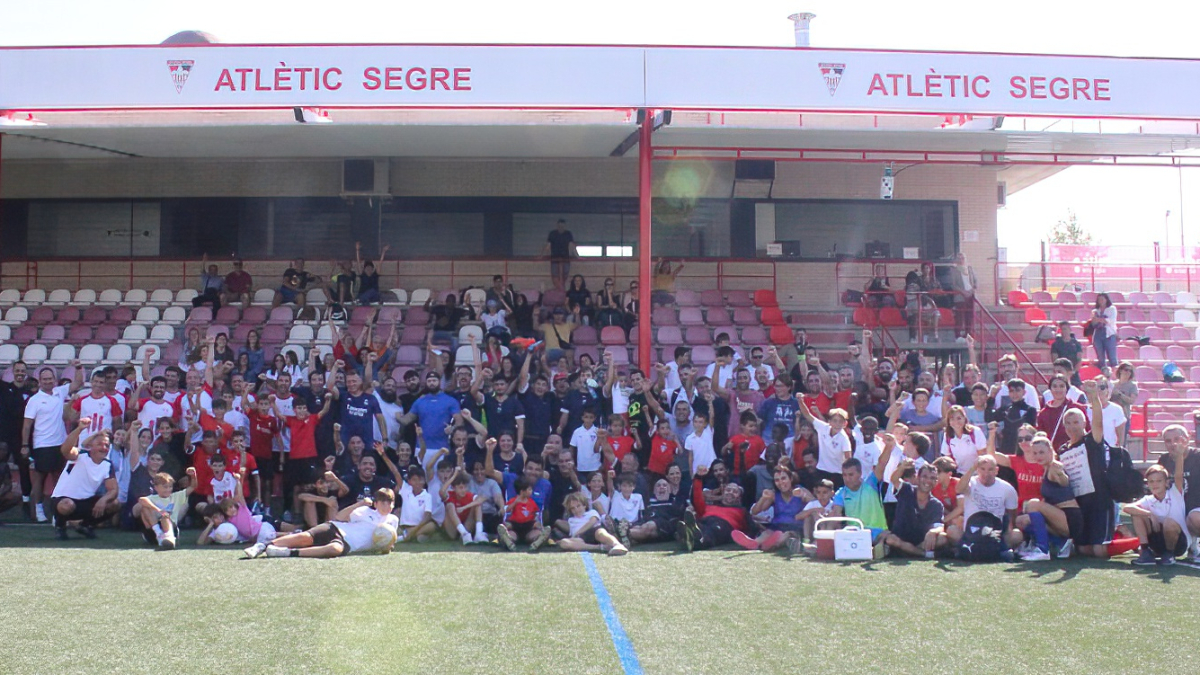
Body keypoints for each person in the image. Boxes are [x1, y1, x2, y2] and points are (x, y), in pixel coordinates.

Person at [247, 488, 398, 558]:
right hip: (336, 528)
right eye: (384, 502)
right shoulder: (365, 511)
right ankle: (263, 545)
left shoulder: (393, 521)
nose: (387, 505)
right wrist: (358, 505)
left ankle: (287, 552)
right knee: (305, 537)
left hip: (349, 544)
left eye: (390, 502)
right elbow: (339, 516)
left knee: (334, 550)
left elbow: (388, 543)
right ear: (376, 503)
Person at [1010, 433, 1082, 561]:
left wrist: (1060, 473)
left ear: (1050, 451)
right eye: (1035, 453)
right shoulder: (1045, 469)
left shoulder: (1054, 468)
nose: (1038, 456)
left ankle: (1043, 550)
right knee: (1022, 520)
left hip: (1070, 518)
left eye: (1041, 452)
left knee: (1033, 504)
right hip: (1059, 519)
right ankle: (1061, 543)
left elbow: (1063, 481)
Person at [24, 365, 80, 523]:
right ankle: (38, 510)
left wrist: (78, 367)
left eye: (50, 379)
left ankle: (58, 512)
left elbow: (78, 383)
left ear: (54, 380)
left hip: (60, 444)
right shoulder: (34, 401)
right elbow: (27, 424)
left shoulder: (59, 392)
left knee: (60, 479)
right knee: (39, 479)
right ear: (40, 381)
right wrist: (24, 445)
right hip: (42, 444)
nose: (48, 381)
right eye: (45, 379)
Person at [50, 419, 121, 540]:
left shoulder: (107, 465)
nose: (104, 448)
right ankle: (60, 526)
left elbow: (113, 490)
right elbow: (65, 450)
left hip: (85, 502)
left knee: (114, 504)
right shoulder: (80, 454)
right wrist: (79, 429)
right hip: (62, 500)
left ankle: (85, 525)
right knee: (67, 505)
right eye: (99, 444)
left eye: (106, 445)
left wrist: (104, 500)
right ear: (91, 446)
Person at [1126, 449, 1191, 566]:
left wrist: (1179, 455)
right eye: (1151, 481)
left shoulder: (1175, 493)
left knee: (1168, 522)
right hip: (1158, 543)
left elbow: (1178, 476)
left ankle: (1169, 554)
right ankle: (1146, 552)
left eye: (1159, 481)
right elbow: (1128, 508)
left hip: (1179, 543)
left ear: (1166, 482)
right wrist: (1149, 514)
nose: (1154, 484)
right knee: (1137, 514)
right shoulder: (1148, 499)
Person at [947, 454, 1023, 554]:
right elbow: (959, 489)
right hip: (971, 532)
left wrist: (1007, 530)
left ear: (996, 470)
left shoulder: (1007, 488)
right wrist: (972, 468)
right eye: (982, 469)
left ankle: (975, 549)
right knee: (952, 530)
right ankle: (979, 549)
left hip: (995, 533)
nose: (986, 473)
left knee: (1017, 535)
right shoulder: (971, 483)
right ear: (977, 470)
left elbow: (1012, 514)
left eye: (990, 469)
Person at [673, 465, 748, 552]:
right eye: (728, 490)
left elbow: (752, 528)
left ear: (739, 497)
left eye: (735, 492)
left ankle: (691, 538)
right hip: (704, 522)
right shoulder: (710, 506)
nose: (730, 493)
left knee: (712, 531)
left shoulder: (742, 511)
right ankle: (689, 534)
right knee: (698, 525)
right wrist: (698, 478)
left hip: (724, 526)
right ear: (723, 492)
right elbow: (696, 499)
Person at [1154, 425, 1200, 562]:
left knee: (1194, 518)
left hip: (1196, 508)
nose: (1173, 444)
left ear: (1187, 439)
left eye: (1177, 439)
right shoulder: (1163, 460)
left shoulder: (1198, 456)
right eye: (1168, 441)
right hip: (1175, 510)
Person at [883, 460, 946, 558]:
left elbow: (939, 526)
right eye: (924, 477)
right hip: (900, 539)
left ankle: (911, 551)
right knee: (891, 539)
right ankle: (922, 554)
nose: (928, 481)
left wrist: (933, 532)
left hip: (921, 542)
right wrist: (902, 466)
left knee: (942, 538)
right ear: (917, 477)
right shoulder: (907, 489)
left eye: (932, 478)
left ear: (936, 482)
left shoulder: (936, 504)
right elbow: (894, 479)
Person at [797, 397, 852, 487]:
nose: (837, 424)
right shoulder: (822, 427)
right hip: (821, 470)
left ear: (845, 424)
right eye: (835, 421)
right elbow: (807, 415)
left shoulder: (844, 439)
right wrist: (800, 401)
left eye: (840, 422)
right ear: (829, 421)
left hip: (837, 474)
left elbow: (848, 458)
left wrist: (846, 475)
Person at [556, 492, 628, 555]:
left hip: (594, 532)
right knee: (564, 543)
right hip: (581, 539)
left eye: (578, 506)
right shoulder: (571, 520)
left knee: (600, 532)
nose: (576, 510)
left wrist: (578, 532)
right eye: (573, 508)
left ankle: (617, 545)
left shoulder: (591, 512)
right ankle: (600, 547)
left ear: (584, 505)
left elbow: (592, 521)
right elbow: (572, 533)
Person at [947, 252, 977, 340]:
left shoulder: (970, 269)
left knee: (969, 316)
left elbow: (975, 282)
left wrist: (971, 291)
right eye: (959, 258)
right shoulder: (954, 270)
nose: (961, 260)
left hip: (971, 296)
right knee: (959, 317)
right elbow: (953, 285)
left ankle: (968, 334)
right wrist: (963, 292)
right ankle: (958, 336)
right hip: (960, 296)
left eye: (962, 258)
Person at [541, 218, 577, 291]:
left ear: (564, 226)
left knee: (565, 274)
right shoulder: (552, 234)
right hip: (555, 257)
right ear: (557, 226)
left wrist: (577, 256)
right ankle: (560, 289)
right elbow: (548, 246)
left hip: (566, 258)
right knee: (555, 275)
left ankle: (560, 289)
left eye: (562, 226)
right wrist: (541, 255)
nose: (561, 228)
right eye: (560, 226)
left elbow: (571, 245)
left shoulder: (568, 234)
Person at [1088, 293, 1118, 373]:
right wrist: (1100, 320)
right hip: (1098, 333)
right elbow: (1093, 322)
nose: (1100, 301)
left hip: (1109, 334)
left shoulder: (1112, 309)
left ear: (1106, 300)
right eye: (1099, 300)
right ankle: (1103, 373)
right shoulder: (1095, 310)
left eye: (1102, 299)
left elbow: (1110, 321)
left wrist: (1098, 319)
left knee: (1112, 357)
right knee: (1100, 357)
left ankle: (1114, 374)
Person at [355, 241, 388, 305]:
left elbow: (380, 263)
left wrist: (383, 252)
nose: (368, 269)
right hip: (363, 296)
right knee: (364, 299)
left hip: (374, 297)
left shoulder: (375, 275)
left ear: (372, 269)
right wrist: (357, 250)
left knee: (372, 291)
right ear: (364, 269)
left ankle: (361, 300)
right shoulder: (362, 275)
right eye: (367, 268)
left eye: (370, 268)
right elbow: (358, 263)